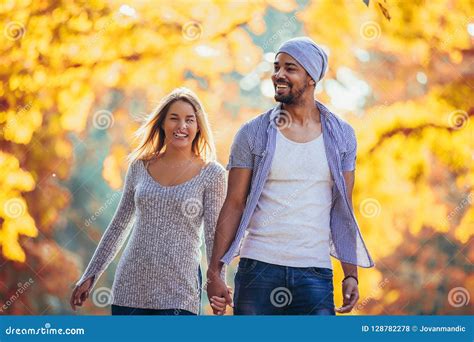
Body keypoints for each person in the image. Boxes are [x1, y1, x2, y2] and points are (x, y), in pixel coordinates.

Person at [206, 37, 374, 315]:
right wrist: (215, 272)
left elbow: (342, 208)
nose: (278, 75)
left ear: (311, 77)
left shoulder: (342, 135)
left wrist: (350, 274)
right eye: (276, 67)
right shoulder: (252, 133)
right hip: (258, 269)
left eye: (290, 68)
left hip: (315, 274)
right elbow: (234, 203)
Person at [70, 87, 228, 315]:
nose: (182, 126)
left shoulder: (212, 174)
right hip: (130, 288)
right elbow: (118, 226)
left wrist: (217, 282)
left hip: (179, 292)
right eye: (174, 119)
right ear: (162, 124)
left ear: (198, 126)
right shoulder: (140, 167)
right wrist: (91, 274)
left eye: (189, 120)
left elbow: (214, 236)